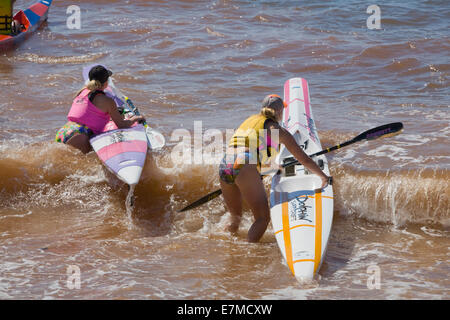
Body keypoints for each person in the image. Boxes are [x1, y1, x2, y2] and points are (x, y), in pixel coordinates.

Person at [219, 94, 331, 243]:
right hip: (244, 164)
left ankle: (225, 245)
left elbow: (249, 150)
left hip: (225, 163)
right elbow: (303, 158)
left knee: (235, 217)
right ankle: (247, 252)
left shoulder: (249, 120)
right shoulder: (276, 130)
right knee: (262, 218)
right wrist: (323, 176)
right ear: (279, 112)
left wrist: (268, 168)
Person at [55, 65, 145, 154]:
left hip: (64, 131)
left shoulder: (82, 91)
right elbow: (122, 125)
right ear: (106, 83)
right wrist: (136, 118)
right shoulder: (108, 101)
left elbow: (89, 113)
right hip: (80, 136)